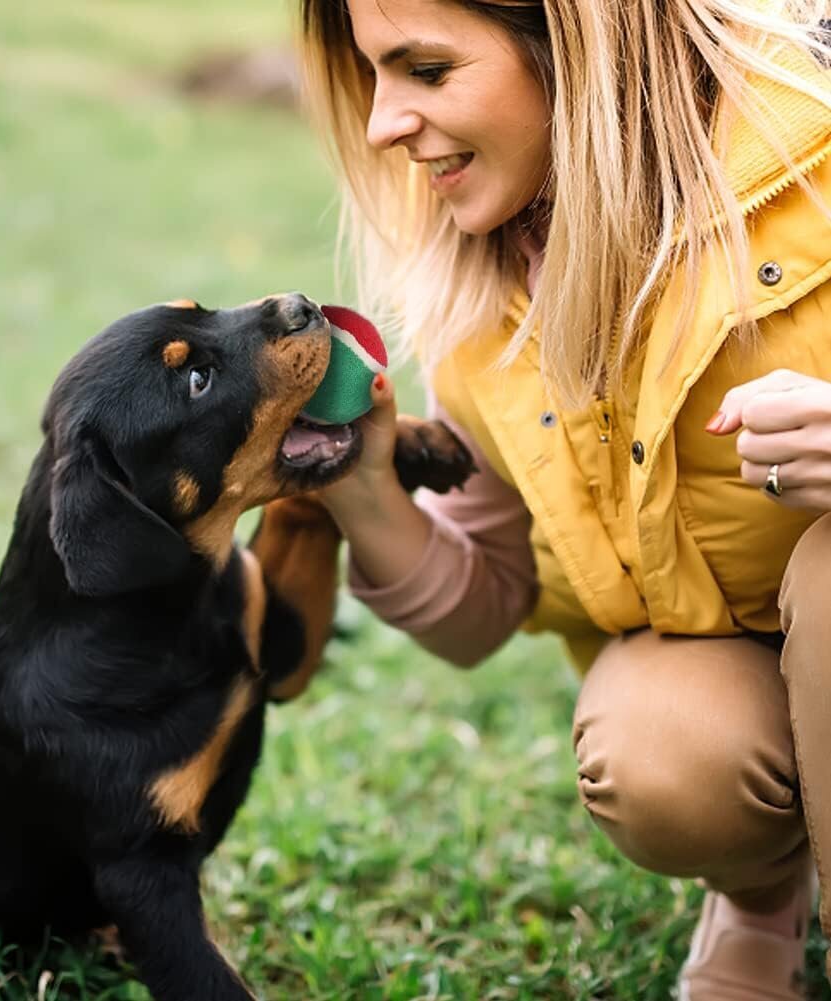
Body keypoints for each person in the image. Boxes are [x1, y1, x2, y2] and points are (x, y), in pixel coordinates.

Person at [296, 0, 831, 996]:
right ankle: (760, 893)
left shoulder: (815, 133)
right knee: (664, 754)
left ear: (573, 39)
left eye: (423, 68)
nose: (380, 125)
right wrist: (362, 483)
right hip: (719, 644)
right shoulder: (485, 275)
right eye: (372, 78)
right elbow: (483, 601)